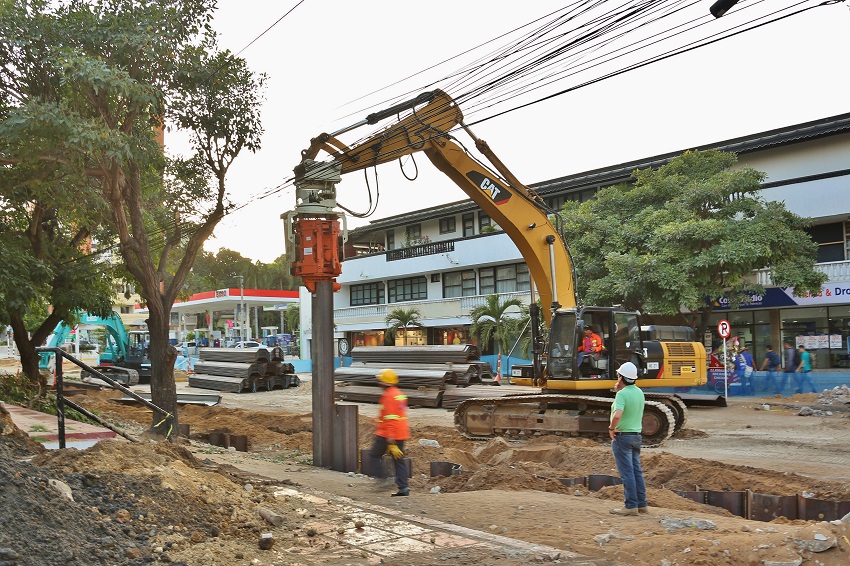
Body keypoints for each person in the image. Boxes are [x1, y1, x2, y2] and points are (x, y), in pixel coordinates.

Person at [608, 362, 648, 516]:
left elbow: (618, 414)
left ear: (621, 377)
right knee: (636, 471)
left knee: (627, 473)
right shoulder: (639, 392)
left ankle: (630, 506)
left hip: (622, 437)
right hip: (636, 436)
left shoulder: (622, 394)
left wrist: (611, 428)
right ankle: (642, 504)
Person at [365, 369, 411, 496]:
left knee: (374, 455)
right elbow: (397, 415)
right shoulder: (399, 394)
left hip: (387, 433)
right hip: (401, 433)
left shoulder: (388, 396)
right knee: (399, 460)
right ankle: (404, 488)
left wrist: (390, 436)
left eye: (380, 380)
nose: (379, 382)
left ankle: (382, 480)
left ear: (385, 382)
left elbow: (390, 417)